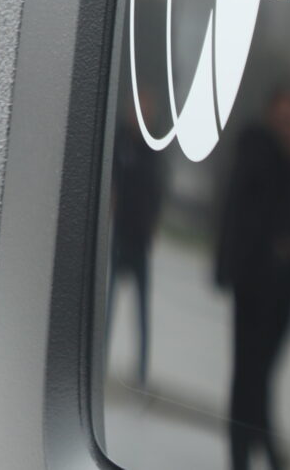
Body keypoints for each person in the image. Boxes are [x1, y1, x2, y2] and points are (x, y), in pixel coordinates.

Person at [216, 87, 290, 470]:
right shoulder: (258, 153)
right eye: (284, 118)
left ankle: (260, 449)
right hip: (255, 287)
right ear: (272, 116)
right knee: (249, 377)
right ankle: (253, 454)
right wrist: (231, 265)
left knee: (259, 377)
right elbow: (241, 212)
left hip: (281, 296)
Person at [109, 99, 164, 385]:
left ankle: (142, 368)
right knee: (107, 301)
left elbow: (156, 189)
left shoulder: (152, 150)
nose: (142, 116)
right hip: (119, 233)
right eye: (139, 111)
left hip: (140, 238)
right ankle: (98, 354)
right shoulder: (119, 142)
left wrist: (153, 222)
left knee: (141, 306)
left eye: (147, 112)